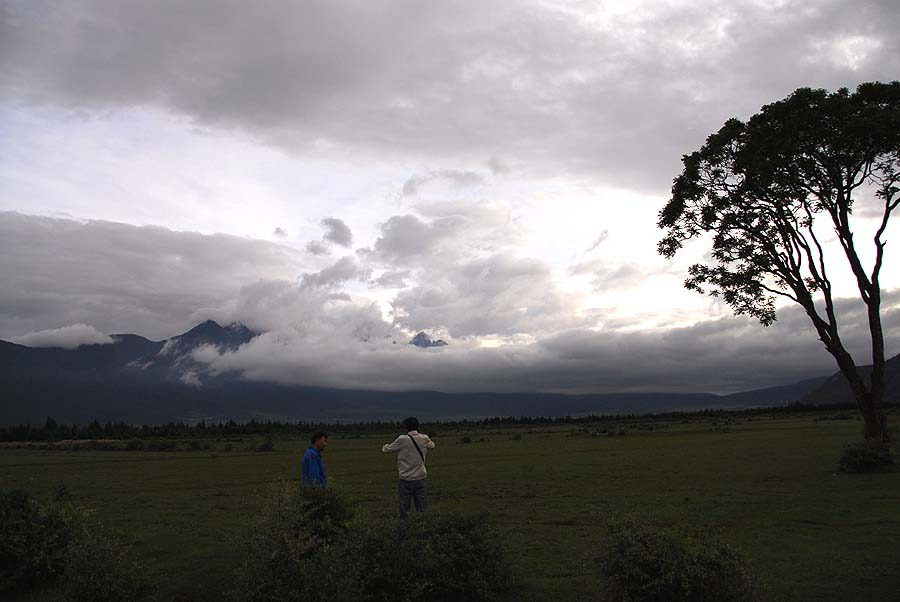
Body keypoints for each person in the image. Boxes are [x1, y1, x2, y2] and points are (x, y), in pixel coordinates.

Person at [382, 417, 435, 522]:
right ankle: (423, 529)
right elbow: (432, 446)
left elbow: (387, 449)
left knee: (404, 509)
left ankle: (405, 530)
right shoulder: (424, 438)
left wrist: (385, 446)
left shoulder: (402, 439)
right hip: (421, 478)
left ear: (406, 427)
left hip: (406, 479)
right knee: (422, 508)